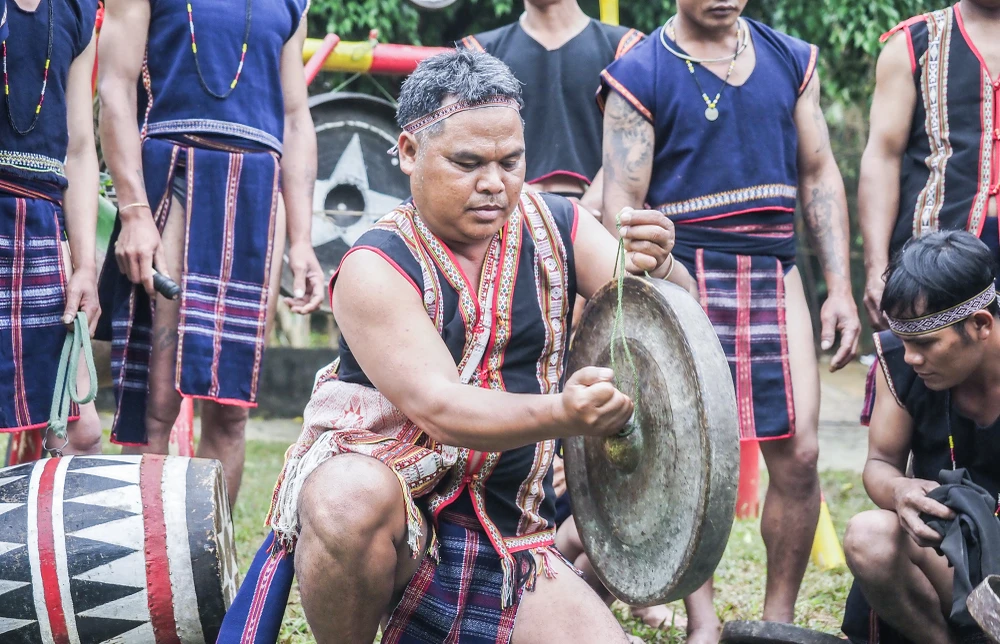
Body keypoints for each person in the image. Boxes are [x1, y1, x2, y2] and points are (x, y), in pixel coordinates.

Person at [219, 49, 697, 644]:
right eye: (467, 162)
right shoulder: (374, 265)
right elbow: (442, 411)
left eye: (511, 161)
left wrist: (665, 263)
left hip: (512, 534)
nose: (494, 183)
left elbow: (671, 326)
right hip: (399, 521)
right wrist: (564, 415)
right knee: (347, 497)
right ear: (410, 152)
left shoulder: (561, 225)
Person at [598, 0, 861, 640]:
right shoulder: (639, 74)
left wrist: (840, 289)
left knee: (799, 454)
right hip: (680, 274)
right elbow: (621, 208)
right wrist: (653, 274)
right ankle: (704, 622)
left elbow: (819, 169)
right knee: (690, 458)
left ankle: (778, 622)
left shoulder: (791, 60)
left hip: (776, 270)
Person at [96, 0, 324, 503]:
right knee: (157, 401)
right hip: (173, 174)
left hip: (257, 191)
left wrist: (303, 241)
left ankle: (208, 574)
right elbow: (113, 87)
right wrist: (133, 209)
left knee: (232, 404)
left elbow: (294, 115)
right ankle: (140, 569)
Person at [843, 230, 1000, 644]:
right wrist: (899, 489)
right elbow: (880, 463)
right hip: (951, 561)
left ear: (980, 324)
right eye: (905, 343)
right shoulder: (901, 364)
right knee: (869, 535)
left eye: (925, 344)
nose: (911, 358)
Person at [858, 0, 1000, 330]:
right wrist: (876, 267)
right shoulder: (914, 41)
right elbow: (882, 157)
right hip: (935, 257)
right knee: (931, 371)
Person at [0, 0, 103, 455]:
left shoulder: (78, 9)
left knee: (78, 431)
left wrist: (84, 266)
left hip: (42, 222)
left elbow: (79, 148)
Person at [457, 0, 642, 217]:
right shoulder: (475, 55)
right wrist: (541, 205)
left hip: (604, 215)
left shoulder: (627, 49)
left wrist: (581, 214)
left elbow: (635, 147)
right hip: (507, 214)